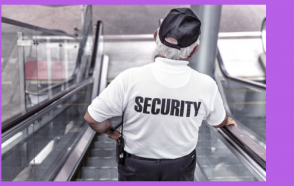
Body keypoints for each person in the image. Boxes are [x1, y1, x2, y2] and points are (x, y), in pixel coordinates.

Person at [84, 7, 237, 181]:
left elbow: (91, 117)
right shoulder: (206, 85)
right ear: (194, 50)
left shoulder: (130, 78)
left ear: (155, 36)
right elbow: (218, 122)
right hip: (180, 167)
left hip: (136, 166)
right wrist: (227, 121)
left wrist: (112, 133)